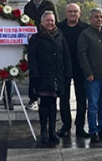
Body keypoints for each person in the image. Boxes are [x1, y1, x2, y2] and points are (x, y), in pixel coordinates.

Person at [29, 11, 72, 144]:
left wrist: (68, 72)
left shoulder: (59, 35)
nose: (50, 23)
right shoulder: (36, 38)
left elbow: (66, 55)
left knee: (53, 105)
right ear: (42, 22)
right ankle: (43, 131)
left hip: (56, 76)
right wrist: (35, 74)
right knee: (44, 105)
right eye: (47, 20)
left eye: (52, 20)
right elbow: (32, 58)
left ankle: (52, 131)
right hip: (42, 76)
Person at [78, 7, 102, 142]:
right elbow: (82, 55)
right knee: (93, 105)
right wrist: (88, 73)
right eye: (96, 17)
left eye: (101, 17)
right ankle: (93, 130)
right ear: (90, 19)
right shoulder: (86, 35)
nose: (99, 19)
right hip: (93, 77)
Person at [56, 3, 90, 138]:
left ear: (80, 13)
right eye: (70, 11)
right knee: (64, 97)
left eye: (75, 12)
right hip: (63, 66)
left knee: (82, 98)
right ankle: (66, 125)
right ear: (66, 13)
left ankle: (80, 126)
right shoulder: (59, 28)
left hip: (80, 66)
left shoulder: (86, 28)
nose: (72, 14)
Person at [23, 0, 58, 111]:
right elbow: (24, 22)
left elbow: (55, 22)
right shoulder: (28, 6)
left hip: (47, 40)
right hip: (34, 40)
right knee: (34, 71)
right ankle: (33, 98)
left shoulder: (49, 5)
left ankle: (50, 96)